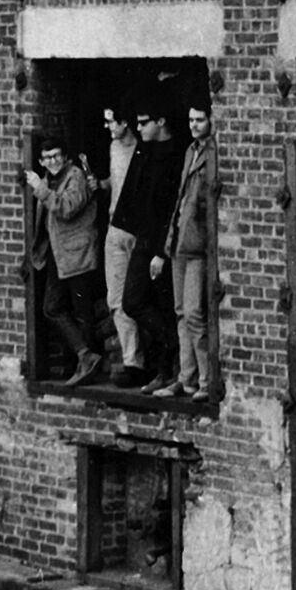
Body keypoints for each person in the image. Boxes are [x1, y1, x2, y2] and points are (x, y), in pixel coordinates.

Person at [116, 104, 185, 391]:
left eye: (144, 122)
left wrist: (160, 252)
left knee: (165, 305)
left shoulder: (175, 155)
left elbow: (172, 207)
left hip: (163, 245)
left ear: (161, 119)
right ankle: (173, 343)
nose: (140, 128)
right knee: (132, 301)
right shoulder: (145, 151)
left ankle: (167, 370)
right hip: (143, 240)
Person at [26, 137, 106, 386]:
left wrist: (40, 188)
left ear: (65, 156)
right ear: (41, 161)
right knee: (52, 307)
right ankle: (85, 356)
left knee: (82, 312)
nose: (53, 161)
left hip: (78, 253)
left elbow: (67, 207)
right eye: (47, 158)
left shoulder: (76, 177)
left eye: (57, 156)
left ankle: (88, 365)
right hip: (58, 255)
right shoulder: (49, 180)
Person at [153, 104, 219, 401]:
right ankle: (187, 378)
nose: (194, 125)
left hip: (198, 245)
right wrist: (168, 240)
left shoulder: (213, 152)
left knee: (194, 313)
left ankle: (206, 381)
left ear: (211, 120)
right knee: (181, 313)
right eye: (191, 120)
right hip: (180, 240)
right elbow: (181, 199)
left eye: (200, 120)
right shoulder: (190, 151)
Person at [97, 104, 144, 386]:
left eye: (111, 122)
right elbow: (116, 182)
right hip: (115, 228)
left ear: (126, 123)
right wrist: (101, 185)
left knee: (137, 299)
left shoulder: (141, 149)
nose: (108, 127)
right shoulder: (114, 149)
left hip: (136, 231)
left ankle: (147, 361)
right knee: (115, 299)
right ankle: (132, 361)